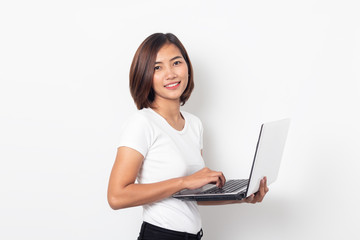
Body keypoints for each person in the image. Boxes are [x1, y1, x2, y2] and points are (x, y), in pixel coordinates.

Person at [107, 33, 269, 240]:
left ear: (187, 66)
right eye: (158, 67)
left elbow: (192, 195)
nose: (171, 74)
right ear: (144, 75)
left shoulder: (194, 124)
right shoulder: (142, 123)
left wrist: (242, 197)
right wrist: (183, 181)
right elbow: (116, 196)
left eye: (176, 63)